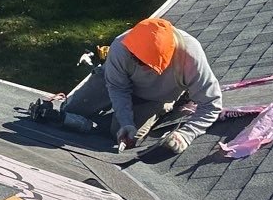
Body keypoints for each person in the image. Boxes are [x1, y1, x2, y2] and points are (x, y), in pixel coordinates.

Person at [55, 17, 222, 153]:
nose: (141, 67)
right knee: (71, 111)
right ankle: (107, 118)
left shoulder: (190, 57)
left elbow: (212, 105)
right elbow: (118, 88)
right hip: (114, 82)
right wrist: (126, 121)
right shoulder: (121, 46)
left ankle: (165, 107)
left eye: (149, 65)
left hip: (155, 97)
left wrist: (186, 134)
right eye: (137, 60)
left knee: (123, 136)